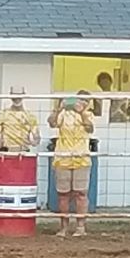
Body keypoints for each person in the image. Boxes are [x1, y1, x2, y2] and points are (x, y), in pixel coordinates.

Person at [49, 92, 95, 237]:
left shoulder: (88, 114)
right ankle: (64, 227)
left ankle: (81, 227)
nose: (81, 103)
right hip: (62, 157)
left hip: (81, 158)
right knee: (63, 194)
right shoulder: (63, 113)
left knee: (81, 193)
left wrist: (82, 113)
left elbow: (90, 128)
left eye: (85, 101)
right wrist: (58, 108)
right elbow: (51, 123)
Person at [0, 85, 40, 151]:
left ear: (23, 95)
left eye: (19, 96)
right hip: (6, 152)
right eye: (14, 96)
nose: (17, 99)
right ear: (10, 96)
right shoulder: (2, 114)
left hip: (23, 152)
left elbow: (36, 139)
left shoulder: (30, 116)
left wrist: (34, 139)